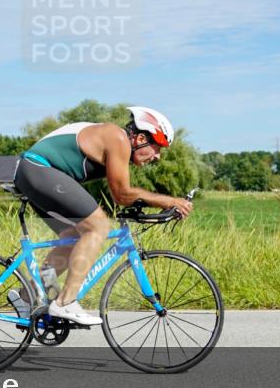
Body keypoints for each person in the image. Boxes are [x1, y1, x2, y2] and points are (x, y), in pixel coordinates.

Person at [11, 106, 193, 325]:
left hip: (33, 172)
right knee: (98, 227)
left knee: (73, 239)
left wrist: (155, 206)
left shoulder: (115, 139)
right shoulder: (118, 138)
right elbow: (122, 194)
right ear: (141, 138)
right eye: (157, 147)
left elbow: (123, 194)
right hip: (39, 170)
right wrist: (171, 201)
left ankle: (25, 296)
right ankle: (65, 302)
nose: (157, 156)